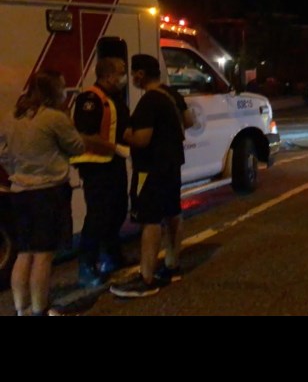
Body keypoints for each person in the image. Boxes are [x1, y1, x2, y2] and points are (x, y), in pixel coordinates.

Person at [0, 69, 115, 315]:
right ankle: (41, 308)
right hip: (48, 193)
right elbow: (75, 147)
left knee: (24, 253)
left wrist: (16, 169)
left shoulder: (11, 116)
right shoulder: (54, 117)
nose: (65, 90)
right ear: (53, 91)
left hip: (19, 191)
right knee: (43, 255)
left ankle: (22, 309)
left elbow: (2, 152)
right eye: (62, 86)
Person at [110, 54, 194, 298]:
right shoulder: (171, 94)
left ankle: (146, 277)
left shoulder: (148, 101)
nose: (131, 78)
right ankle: (172, 264)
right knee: (173, 213)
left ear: (140, 75)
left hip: (150, 170)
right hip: (172, 165)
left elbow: (142, 139)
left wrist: (125, 135)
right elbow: (188, 121)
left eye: (133, 73)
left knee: (151, 221)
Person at [71, 57, 132, 288]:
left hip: (112, 163)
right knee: (97, 215)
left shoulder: (114, 98)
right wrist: (114, 147)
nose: (124, 76)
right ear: (108, 76)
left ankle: (112, 256)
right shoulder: (90, 98)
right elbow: (86, 135)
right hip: (95, 166)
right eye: (121, 72)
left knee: (117, 210)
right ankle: (87, 266)